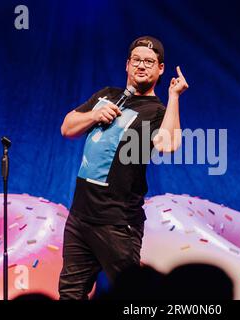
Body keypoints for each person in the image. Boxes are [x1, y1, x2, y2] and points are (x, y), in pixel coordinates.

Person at [58, 36, 188, 300]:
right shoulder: (107, 95)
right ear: (127, 65)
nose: (142, 66)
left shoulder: (158, 112)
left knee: (132, 297)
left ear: (160, 69)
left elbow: (168, 144)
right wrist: (95, 114)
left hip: (117, 223)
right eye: (137, 60)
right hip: (80, 218)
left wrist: (174, 97)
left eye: (149, 62)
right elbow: (67, 127)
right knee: (70, 294)